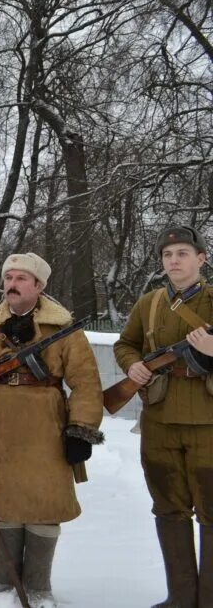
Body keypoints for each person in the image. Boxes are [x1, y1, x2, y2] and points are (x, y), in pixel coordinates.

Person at [0, 253, 104, 606]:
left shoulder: (63, 328)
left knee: (43, 504)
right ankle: (1, 578)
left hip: (45, 428)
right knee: (2, 501)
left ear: (40, 286)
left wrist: (81, 428)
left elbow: (86, 382)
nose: (11, 284)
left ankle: (38, 585)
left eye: (21, 278)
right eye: (8, 277)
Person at [114, 226, 213, 608]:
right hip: (159, 419)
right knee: (168, 507)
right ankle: (181, 597)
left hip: (208, 421)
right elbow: (125, 343)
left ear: (201, 259)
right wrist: (133, 364)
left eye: (183, 253)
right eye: (168, 254)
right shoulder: (150, 303)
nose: (174, 260)